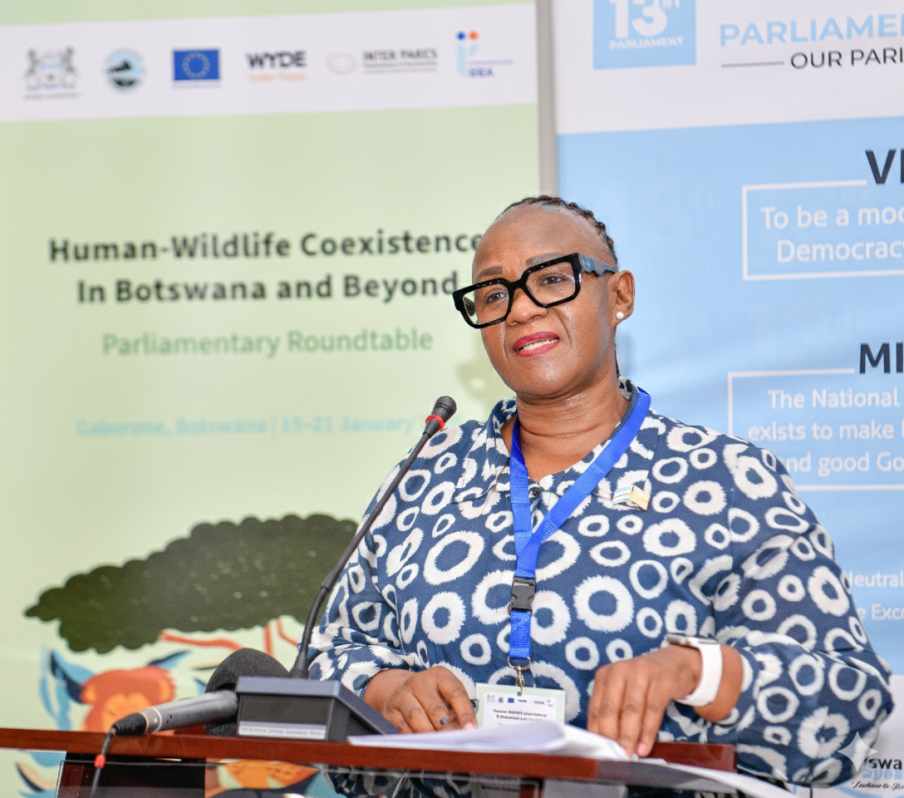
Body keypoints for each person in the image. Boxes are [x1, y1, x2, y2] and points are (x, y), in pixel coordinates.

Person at [309, 196, 893, 786]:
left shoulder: (725, 481)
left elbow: (846, 701)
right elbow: (332, 650)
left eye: (553, 279)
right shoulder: (427, 474)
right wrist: (389, 688)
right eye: (493, 294)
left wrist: (696, 670)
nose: (520, 310)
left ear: (620, 296)